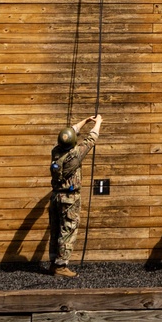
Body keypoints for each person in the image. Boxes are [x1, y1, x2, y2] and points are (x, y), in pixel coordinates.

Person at [48, 113, 102, 276]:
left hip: (55, 197)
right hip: (69, 199)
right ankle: (61, 266)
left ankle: (54, 262)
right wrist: (98, 122)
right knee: (68, 230)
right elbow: (91, 139)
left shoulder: (56, 151)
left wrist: (85, 121)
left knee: (55, 230)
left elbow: (70, 131)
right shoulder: (74, 155)